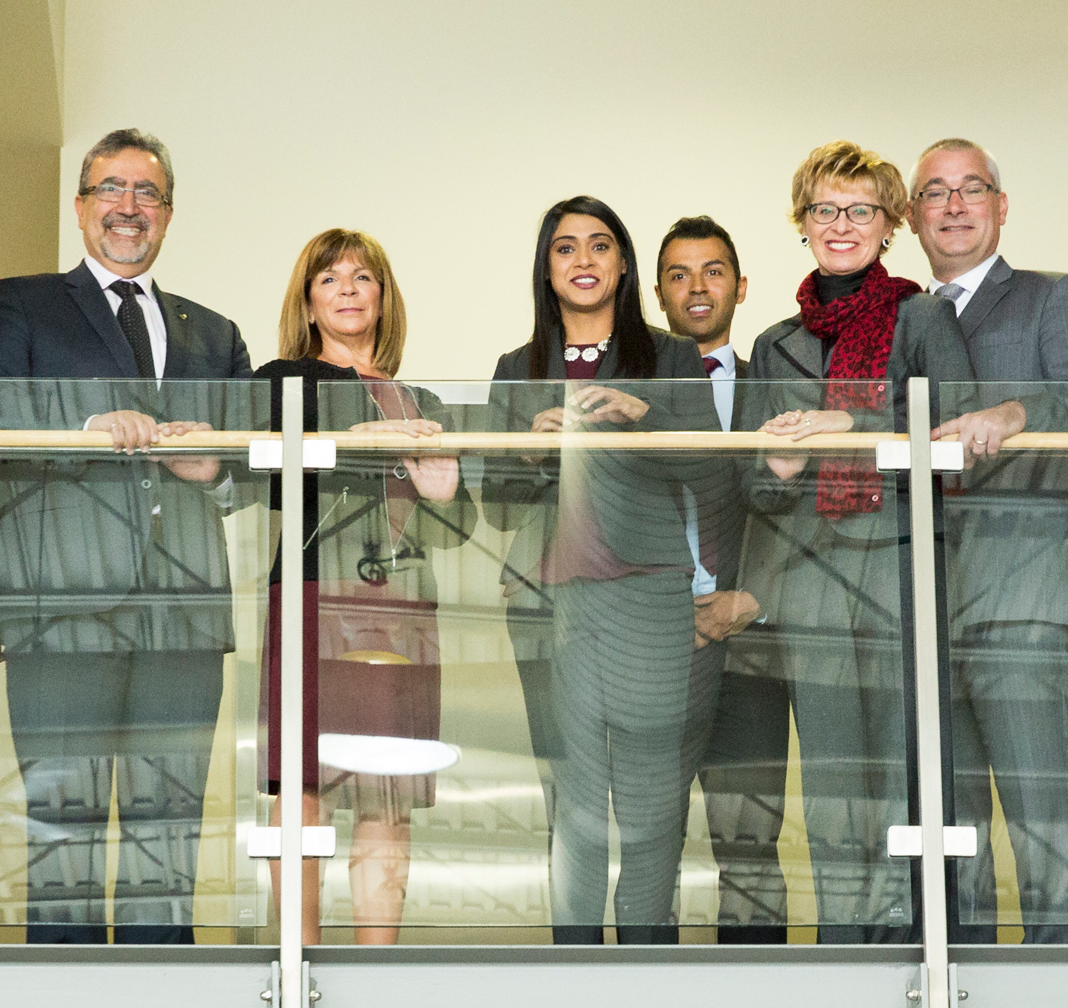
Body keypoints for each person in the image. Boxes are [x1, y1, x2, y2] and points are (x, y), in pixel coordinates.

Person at [0, 128, 253, 944]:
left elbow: (253, 460)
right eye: (111, 191)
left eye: (147, 194)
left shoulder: (215, 331)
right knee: (63, 824)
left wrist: (219, 469)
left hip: (185, 614)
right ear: (82, 204)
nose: (129, 209)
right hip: (63, 606)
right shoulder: (25, 301)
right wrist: (88, 424)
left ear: (168, 213)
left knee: (173, 825)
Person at [743, 141, 975, 942]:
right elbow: (754, 483)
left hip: (899, 570)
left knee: (907, 771)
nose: (841, 225)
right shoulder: (774, 342)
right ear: (801, 223)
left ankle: (917, 945)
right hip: (809, 580)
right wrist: (774, 464)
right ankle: (844, 946)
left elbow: (949, 441)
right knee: (833, 784)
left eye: (860, 210)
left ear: (890, 224)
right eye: (824, 210)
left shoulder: (923, 317)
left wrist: (854, 423)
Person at [482, 196, 726, 943]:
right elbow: (494, 507)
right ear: (545, 269)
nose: (583, 261)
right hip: (550, 604)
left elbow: (718, 475)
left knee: (652, 800)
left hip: (649, 599)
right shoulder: (514, 368)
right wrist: (527, 444)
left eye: (599, 246)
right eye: (565, 249)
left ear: (623, 264)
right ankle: (574, 962)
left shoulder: (672, 356)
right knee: (574, 798)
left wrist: (645, 416)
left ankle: (646, 955)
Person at [909, 138, 1068, 944]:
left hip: (1023, 588)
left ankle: (1057, 994)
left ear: (1001, 206)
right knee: (951, 824)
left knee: (1041, 814)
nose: (955, 206)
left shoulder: (1053, 294)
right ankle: (966, 992)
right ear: (915, 216)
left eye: (972, 190)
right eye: (936, 192)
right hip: (925, 596)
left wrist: (1015, 413)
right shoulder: (908, 317)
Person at [255, 229, 465, 944]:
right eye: (329, 278)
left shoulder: (422, 397)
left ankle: (379, 972)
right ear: (308, 302)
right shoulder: (282, 378)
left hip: (402, 607)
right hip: (313, 597)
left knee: (388, 794)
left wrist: (447, 490)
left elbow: (462, 526)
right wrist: (356, 441)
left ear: (383, 297)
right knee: (302, 788)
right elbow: (267, 486)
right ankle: (300, 963)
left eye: (363, 277)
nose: (347, 289)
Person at [657, 214, 790, 944]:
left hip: (752, 642)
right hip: (656, 643)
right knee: (654, 841)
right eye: (678, 274)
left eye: (712, 271)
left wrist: (754, 596)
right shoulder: (638, 395)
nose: (696, 287)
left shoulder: (774, 386)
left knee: (750, 840)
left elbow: (801, 510)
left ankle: (764, 1006)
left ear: (740, 286)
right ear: (657, 294)